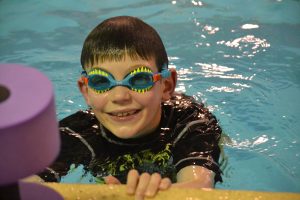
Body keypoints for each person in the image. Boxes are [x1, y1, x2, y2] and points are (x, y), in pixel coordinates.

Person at [39, 16, 223, 200]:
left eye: (139, 79)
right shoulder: (77, 133)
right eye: (101, 81)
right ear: (86, 91)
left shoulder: (191, 122)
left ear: (166, 85)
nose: (120, 96)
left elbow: (200, 188)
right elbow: (24, 185)